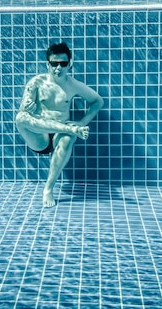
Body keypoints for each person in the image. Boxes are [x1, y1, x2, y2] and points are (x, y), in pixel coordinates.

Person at [15, 42, 104, 207]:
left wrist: (82, 122)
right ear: (47, 64)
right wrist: (30, 109)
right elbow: (23, 113)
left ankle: (48, 189)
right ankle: (70, 129)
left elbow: (97, 101)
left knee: (68, 138)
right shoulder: (35, 83)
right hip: (39, 136)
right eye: (54, 63)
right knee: (20, 117)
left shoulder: (73, 85)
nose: (58, 68)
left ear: (69, 63)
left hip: (58, 136)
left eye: (63, 63)